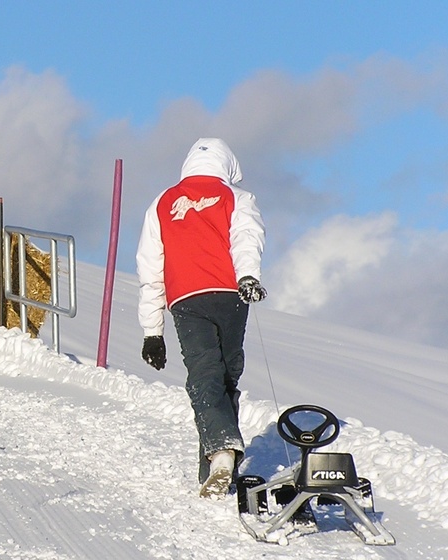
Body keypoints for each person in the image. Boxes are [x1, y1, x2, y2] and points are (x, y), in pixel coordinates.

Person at [135, 137, 266, 498]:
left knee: (204, 375)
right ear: (229, 165)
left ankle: (219, 455)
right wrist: (248, 276)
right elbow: (246, 236)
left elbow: (151, 267)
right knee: (225, 376)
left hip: (186, 298)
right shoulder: (237, 198)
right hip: (230, 295)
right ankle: (220, 461)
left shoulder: (162, 202)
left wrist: (152, 331)